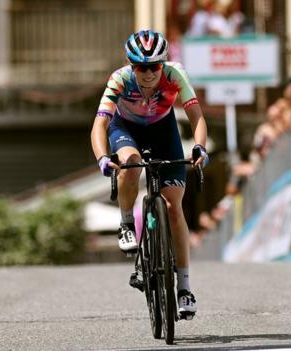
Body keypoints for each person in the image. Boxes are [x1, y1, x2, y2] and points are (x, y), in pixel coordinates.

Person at [90, 29, 209, 318]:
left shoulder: (175, 74)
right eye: (141, 67)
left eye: (153, 66)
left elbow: (197, 117)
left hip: (162, 130)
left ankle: (184, 288)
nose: (147, 73)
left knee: (173, 207)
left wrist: (200, 148)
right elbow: (99, 126)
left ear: (162, 64)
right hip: (126, 129)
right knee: (129, 164)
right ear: (132, 66)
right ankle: (127, 223)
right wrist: (103, 158)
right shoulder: (119, 79)